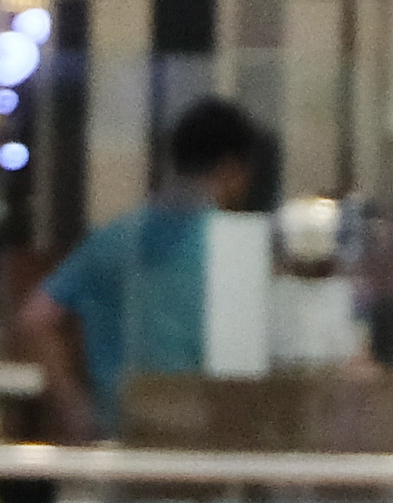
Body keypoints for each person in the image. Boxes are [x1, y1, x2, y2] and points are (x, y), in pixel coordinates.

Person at [19, 94, 265, 435]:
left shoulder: (118, 237)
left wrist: (75, 408)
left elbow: (36, 318)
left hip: (123, 427)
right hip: (207, 427)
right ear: (232, 169)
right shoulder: (234, 245)